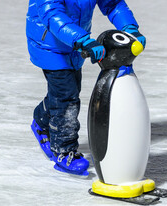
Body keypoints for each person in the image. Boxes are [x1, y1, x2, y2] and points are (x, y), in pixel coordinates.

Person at [26, 0, 146, 175]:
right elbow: (52, 14)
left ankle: (40, 120)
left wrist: (129, 27)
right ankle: (64, 149)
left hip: (74, 43)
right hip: (50, 44)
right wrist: (81, 39)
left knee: (66, 92)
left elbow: (113, 4)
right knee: (67, 97)